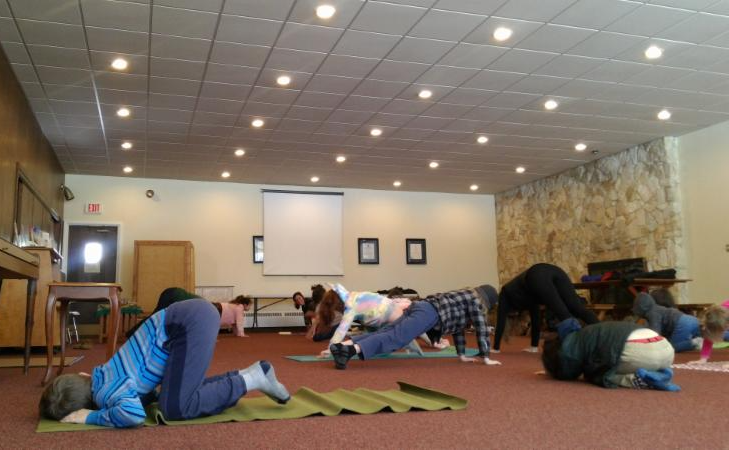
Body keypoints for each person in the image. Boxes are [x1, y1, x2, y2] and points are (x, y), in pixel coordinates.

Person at [39, 299, 290, 428]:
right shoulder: (102, 374)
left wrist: (90, 417)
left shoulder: (105, 393)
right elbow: (143, 395)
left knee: (176, 408)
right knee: (170, 396)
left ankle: (252, 379)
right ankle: (253, 373)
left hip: (185, 324)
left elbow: (133, 416)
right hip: (186, 318)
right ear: (81, 377)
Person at [328, 284, 501, 370]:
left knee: (388, 331)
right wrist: (486, 357)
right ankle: (349, 351)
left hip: (421, 305)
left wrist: (461, 355)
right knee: (397, 337)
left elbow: (458, 328)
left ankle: (342, 346)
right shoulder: (477, 302)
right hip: (429, 313)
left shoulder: (466, 294)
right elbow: (482, 327)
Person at [541, 318, 680, 391]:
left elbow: (567, 372)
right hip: (665, 347)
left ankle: (637, 379)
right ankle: (659, 371)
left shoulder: (568, 345)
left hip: (639, 352)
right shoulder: (590, 330)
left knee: (600, 375)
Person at [494, 263, 599, 353]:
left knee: (564, 315)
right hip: (554, 270)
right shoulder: (526, 294)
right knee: (578, 308)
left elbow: (500, 321)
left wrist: (496, 348)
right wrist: (534, 347)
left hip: (537, 275)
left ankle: (577, 350)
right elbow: (536, 318)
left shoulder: (504, 293)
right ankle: (605, 333)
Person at [632, 290, 702, 352]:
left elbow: (655, 333)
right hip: (693, 319)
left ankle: (694, 342)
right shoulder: (658, 308)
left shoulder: (652, 313)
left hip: (682, 323)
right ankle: (697, 341)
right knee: (690, 345)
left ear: (640, 308)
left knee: (671, 348)